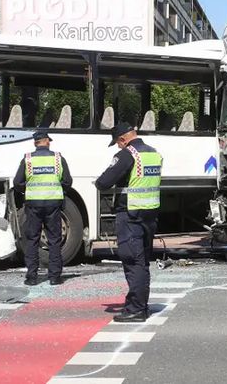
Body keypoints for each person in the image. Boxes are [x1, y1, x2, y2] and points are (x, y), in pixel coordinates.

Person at [95, 122, 162, 322]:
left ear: (123, 139)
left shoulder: (127, 154)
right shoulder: (153, 153)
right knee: (142, 262)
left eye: (117, 143)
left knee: (133, 262)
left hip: (130, 214)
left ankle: (136, 309)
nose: (117, 146)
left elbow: (103, 182)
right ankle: (141, 304)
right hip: (149, 214)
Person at [13, 131, 72, 286]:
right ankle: (54, 277)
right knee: (54, 240)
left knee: (32, 240)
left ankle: (32, 277)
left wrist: (28, 190)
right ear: (47, 142)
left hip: (33, 204)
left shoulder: (28, 159)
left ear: (35, 143)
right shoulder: (58, 158)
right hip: (53, 203)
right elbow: (67, 181)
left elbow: (17, 183)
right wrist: (60, 190)